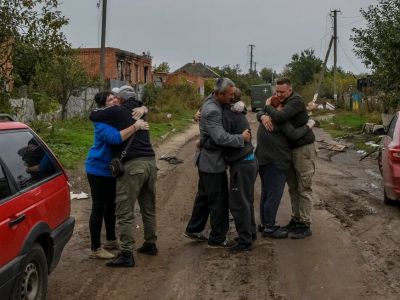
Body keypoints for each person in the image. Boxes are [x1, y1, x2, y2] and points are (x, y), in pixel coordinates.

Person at [89, 85, 157, 268]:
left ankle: (126, 254)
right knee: (148, 207)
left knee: (125, 210)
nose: (114, 101)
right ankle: (151, 244)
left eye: (115, 98)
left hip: (134, 165)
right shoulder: (141, 112)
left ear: (121, 99)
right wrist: (143, 110)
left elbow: (93, 115)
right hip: (151, 162)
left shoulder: (118, 111)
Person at [184, 78, 251, 249]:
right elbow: (220, 137)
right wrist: (241, 138)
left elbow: (229, 97)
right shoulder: (213, 110)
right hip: (212, 164)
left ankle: (194, 228)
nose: (231, 98)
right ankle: (217, 238)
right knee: (218, 201)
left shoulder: (211, 98)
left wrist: (240, 103)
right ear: (219, 94)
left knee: (204, 197)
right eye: (229, 95)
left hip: (206, 161)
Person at [260, 78, 316, 239]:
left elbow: (280, 117)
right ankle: (296, 219)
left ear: (290, 90)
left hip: (303, 148)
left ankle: (305, 224)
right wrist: (262, 115)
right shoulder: (280, 101)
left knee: (304, 187)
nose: (279, 94)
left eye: (282, 92)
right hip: (290, 150)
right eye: (277, 92)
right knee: (293, 186)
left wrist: (267, 107)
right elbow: (267, 114)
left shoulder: (296, 100)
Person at [202, 87, 257, 252]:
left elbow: (219, 140)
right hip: (249, 161)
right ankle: (251, 233)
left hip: (241, 164)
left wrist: (204, 142)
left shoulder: (226, 116)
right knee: (247, 201)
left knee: (238, 204)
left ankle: (245, 241)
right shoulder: (237, 113)